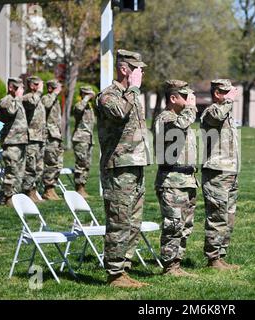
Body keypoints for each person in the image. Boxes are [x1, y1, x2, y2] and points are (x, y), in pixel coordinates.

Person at [96, 49, 150, 288]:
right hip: (118, 168)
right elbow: (118, 113)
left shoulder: (132, 96)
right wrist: (134, 90)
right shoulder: (108, 95)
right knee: (119, 221)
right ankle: (114, 273)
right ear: (124, 69)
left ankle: (124, 269)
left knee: (133, 222)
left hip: (135, 165)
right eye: (138, 69)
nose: (142, 73)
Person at [153, 80, 198, 277]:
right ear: (173, 98)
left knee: (185, 225)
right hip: (171, 180)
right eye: (186, 97)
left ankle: (177, 264)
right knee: (173, 224)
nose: (190, 101)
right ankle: (169, 266)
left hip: (186, 179)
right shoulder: (166, 118)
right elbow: (179, 128)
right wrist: (191, 108)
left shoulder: (180, 117)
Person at [200, 79, 240, 270]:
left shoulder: (227, 114)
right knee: (217, 216)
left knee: (229, 217)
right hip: (216, 172)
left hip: (231, 171)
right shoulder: (212, 111)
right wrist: (229, 101)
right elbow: (216, 116)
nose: (231, 96)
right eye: (226, 93)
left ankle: (221, 255)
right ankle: (212, 258)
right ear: (217, 93)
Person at [0, 77, 28, 207]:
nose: (20, 90)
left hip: (20, 140)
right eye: (17, 88)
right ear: (11, 88)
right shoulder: (6, 101)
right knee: (12, 171)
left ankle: (17, 196)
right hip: (11, 142)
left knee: (20, 172)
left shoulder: (17, 101)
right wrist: (17, 97)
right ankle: (8, 197)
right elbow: (10, 112)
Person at [22, 75, 46, 203]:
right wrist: (39, 91)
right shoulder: (27, 97)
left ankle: (34, 190)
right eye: (38, 84)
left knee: (39, 167)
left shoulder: (38, 98)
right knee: (30, 166)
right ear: (32, 85)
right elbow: (32, 103)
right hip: (31, 137)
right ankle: (28, 191)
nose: (41, 87)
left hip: (40, 137)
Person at [41, 79, 63, 201]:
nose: (58, 90)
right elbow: (46, 105)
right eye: (56, 88)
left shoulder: (55, 99)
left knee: (57, 163)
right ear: (50, 89)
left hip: (56, 135)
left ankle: (52, 187)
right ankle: (48, 190)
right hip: (49, 135)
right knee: (51, 162)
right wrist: (54, 93)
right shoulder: (46, 98)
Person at [72, 86, 96, 198]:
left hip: (89, 139)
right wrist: (86, 98)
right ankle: (79, 188)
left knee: (87, 164)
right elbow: (78, 110)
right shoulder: (79, 105)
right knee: (81, 164)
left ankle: (83, 187)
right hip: (80, 139)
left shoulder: (89, 107)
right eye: (87, 94)